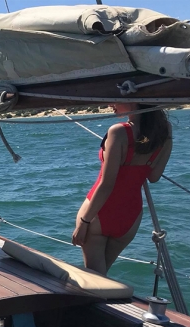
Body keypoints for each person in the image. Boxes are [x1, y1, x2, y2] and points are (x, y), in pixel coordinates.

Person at [72, 104, 172, 275]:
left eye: (116, 99)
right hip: (130, 218)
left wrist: (84, 221)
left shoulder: (118, 132)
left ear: (134, 101)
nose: (110, 104)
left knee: (95, 279)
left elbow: (107, 184)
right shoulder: (164, 131)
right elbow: (153, 177)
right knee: (102, 277)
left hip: (100, 214)